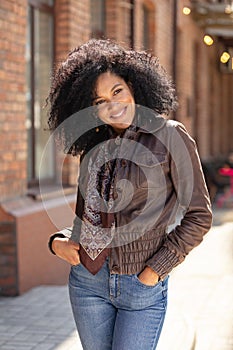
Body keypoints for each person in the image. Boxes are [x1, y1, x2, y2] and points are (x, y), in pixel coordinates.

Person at [47, 38, 212, 350]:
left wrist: (155, 271)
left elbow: (199, 217)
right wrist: (58, 240)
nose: (111, 105)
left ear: (135, 86)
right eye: (98, 102)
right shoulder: (94, 148)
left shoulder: (171, 136)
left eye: (117, 91)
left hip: (141, 285)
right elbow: (88, 221)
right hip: (87, 283)